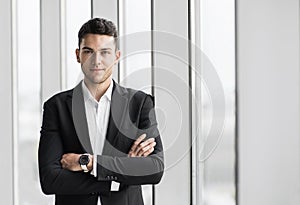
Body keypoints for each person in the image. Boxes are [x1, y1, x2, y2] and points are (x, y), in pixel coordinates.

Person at [38, 17, 164, 205]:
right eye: (89, 51)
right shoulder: (56, 107)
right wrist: (119, 177)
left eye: (105, 52)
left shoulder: (139, 104)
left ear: (117, 56)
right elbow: (50, 180)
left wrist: (88, 163)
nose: (97, 61)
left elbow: (154, 169)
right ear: (78, 55)